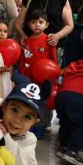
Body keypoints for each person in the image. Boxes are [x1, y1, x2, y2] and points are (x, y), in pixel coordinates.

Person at [18, 9, 57, 139]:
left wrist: (53, 77)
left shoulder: (49, 40)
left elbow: (54, 61)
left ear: (46, 25)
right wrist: (22, 78)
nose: (37, 25)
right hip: (28, 80)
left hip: (43, 80)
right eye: (33, 22)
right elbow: (23, 60)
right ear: (29, 25)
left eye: (41, 22)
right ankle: (30, 126)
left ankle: (41, 126)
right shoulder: (26, 41)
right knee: (29, 103)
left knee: (42, 104)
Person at [15, 0, 73, 67]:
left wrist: (57, 36)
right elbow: (18, 24)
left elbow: (69, 25)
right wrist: (24, 37)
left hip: (53, 47)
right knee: (30, 72)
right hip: (32, 47)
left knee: (52, 73)